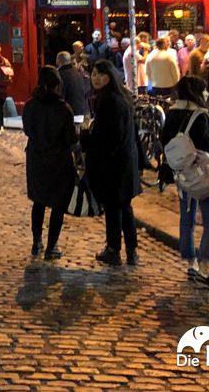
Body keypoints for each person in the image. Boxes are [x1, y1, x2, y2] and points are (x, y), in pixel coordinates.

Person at [161, 76, 209, 290]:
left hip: (181, 173)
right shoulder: (200, 115)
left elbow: (164, 140)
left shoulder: (171, 113)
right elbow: (207, 144)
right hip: (201, 175)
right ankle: (206, 268)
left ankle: (191, 263)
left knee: (187, 218)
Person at [83, 60, 141, 267]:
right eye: (93, 74)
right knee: (125, 207)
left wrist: (86, 135)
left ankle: (113, 249)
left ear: (110, 76)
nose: (96, 78)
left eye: (100, 74)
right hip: (125, 161)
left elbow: (108, 137)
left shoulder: (109, 101)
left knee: (114, 207)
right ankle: (132, 251)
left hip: (114, 163)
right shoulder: (121, 96)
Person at [22, 66, 78, 261]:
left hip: (36, 159)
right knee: (57, 205)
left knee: (38, 202)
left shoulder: (30, 106)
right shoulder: (63, 109)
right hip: (58, 161)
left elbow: (27, 130)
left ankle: (37, 241)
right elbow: (70, 138)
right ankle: (51, 246)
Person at [56, 51, 89, 117]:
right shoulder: (77, 73)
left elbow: (60, 96)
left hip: (70, 113)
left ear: (58, 60)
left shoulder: (60, 74)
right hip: (83, 110)